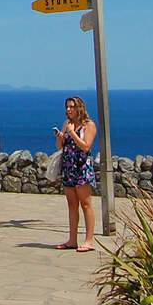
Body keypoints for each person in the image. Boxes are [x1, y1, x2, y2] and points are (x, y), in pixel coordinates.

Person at [54, 95, 98, 252]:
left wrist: (72, 134)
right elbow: (60, 146)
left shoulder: (89, 125)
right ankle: (72, 239)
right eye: (67, 107)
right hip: (68, 167)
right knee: (72, 204)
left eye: (72, 106)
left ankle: (89, 240)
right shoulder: (67, 124)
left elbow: (86, 147)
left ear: (79, 108)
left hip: (81, 168)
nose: (68, 109)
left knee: (85, 204)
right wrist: (60, 137)